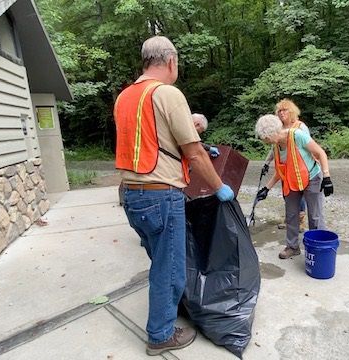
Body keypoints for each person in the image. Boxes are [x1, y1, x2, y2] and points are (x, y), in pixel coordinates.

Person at [114, 35, 234, 356]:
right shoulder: (168, 93)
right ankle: (161, 335)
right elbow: (194, 154)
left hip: (131, 196)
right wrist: (219, 186)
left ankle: (167, 312)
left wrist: (189, 133)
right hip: (161, 196)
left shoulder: (125, 97)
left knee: (160, 262)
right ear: (171, 61)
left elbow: (151, 139)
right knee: (169, 270)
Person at [254, 114, 333, 259]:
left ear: (274, 133)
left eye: (266, 138)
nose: (265, 141)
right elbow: (281, 171)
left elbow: (320, 153)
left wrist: (327, 177)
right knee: (291, 215)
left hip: (312, 178)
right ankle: (292, 247)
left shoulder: (298, 136)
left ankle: (317, 248)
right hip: (292, 181)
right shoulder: (276, 146)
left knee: (315, 216)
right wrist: (266, 188)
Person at [262, 99, 309, 232]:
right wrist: (266, 163)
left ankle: (300, 221)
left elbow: (307, 147)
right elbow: (273, 148)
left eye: (285, 110)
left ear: (292, 111)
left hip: (298, 168)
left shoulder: (300, 127)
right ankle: (289, 219)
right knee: (287, 195)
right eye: (279, 111)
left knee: (298, 195)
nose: (282, 113)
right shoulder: (279, 128)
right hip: (283, 168)